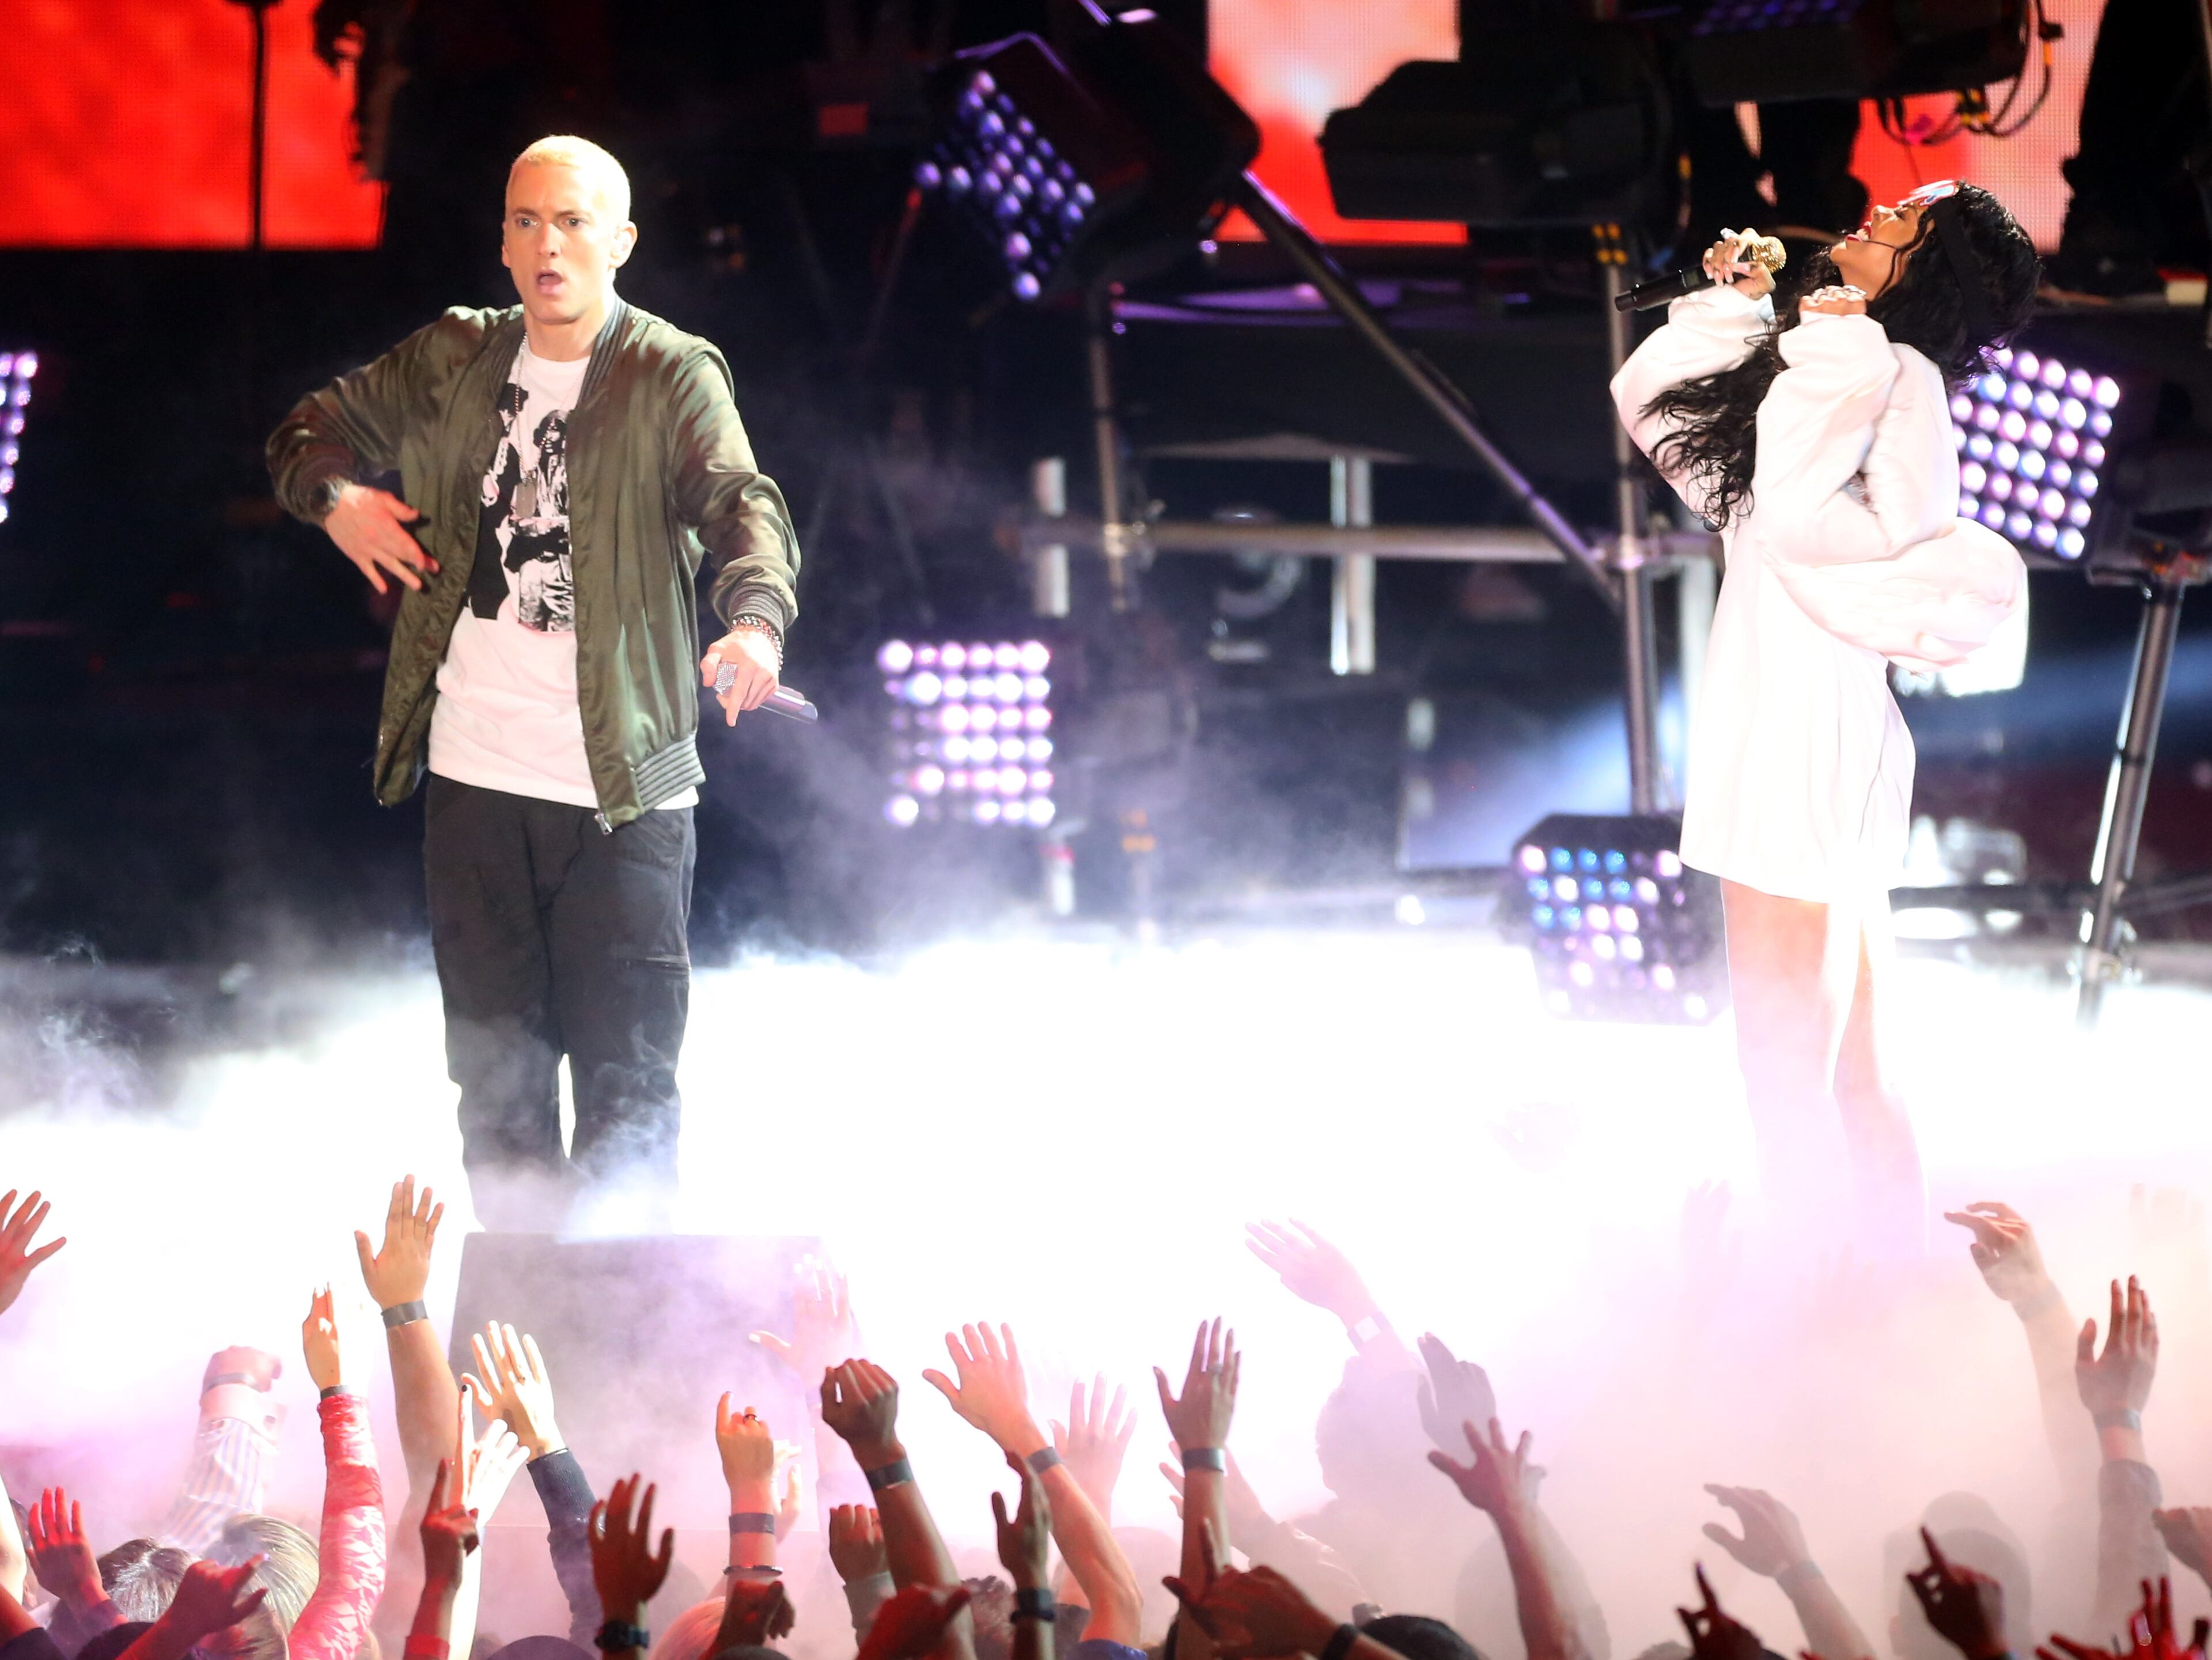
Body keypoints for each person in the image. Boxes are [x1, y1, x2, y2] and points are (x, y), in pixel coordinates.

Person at [266, 134, 801, 1232]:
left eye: (571, 222)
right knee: (498, 1097)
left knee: (627, 1096)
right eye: (525, 222)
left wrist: (755, 624)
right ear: (504, 244)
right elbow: (307, 430)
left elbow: (743, 507)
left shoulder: (669, 372)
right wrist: (338, 500)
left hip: (625, 797)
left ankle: (622, 1326)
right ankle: (520, 1321)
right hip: (475, 784)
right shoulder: (456, 355)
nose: (547, 245)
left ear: (621, 242)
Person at [1611, 183, 2040, 1252]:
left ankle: (1823, 1311)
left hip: (1801, 744)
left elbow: (1815, 528)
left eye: (1901, 224)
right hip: (1784, 730)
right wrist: (1731, 315)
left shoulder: (1895, 378)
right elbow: (1691, 450)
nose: (1873, 215)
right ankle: (1889, 1299)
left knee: (1785, 1078)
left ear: (1925, 274)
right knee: (1850, 1075)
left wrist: (1833, 356)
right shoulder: (1841, 363)